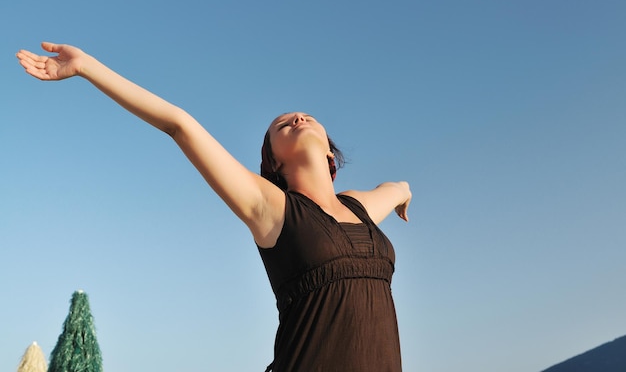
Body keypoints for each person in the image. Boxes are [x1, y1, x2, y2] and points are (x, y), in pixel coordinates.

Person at [17, 42, 412, 371]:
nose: (297, 117)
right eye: (283, 126)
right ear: (273, 163)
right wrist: (88, 67)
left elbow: (395, 187)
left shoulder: (359, 209)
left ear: (330, 155)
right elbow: (179, 125)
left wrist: (404, 192)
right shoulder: (273, 209)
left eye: (307, 118)